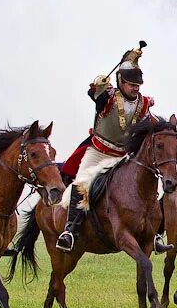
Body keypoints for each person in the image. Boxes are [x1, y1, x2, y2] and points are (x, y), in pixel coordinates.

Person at [56, 45, 157, 252]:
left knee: (149, 185)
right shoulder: (109, 97)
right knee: (82, 184)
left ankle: (153, 234)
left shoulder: (144, 103)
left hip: (124, 155)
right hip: (98, 152)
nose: (135, 88)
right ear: (121, 82)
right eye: (131, 84)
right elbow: (96, 97)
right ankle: (70, 230)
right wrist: (98, 86)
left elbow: (149, 126)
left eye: (138, 85)